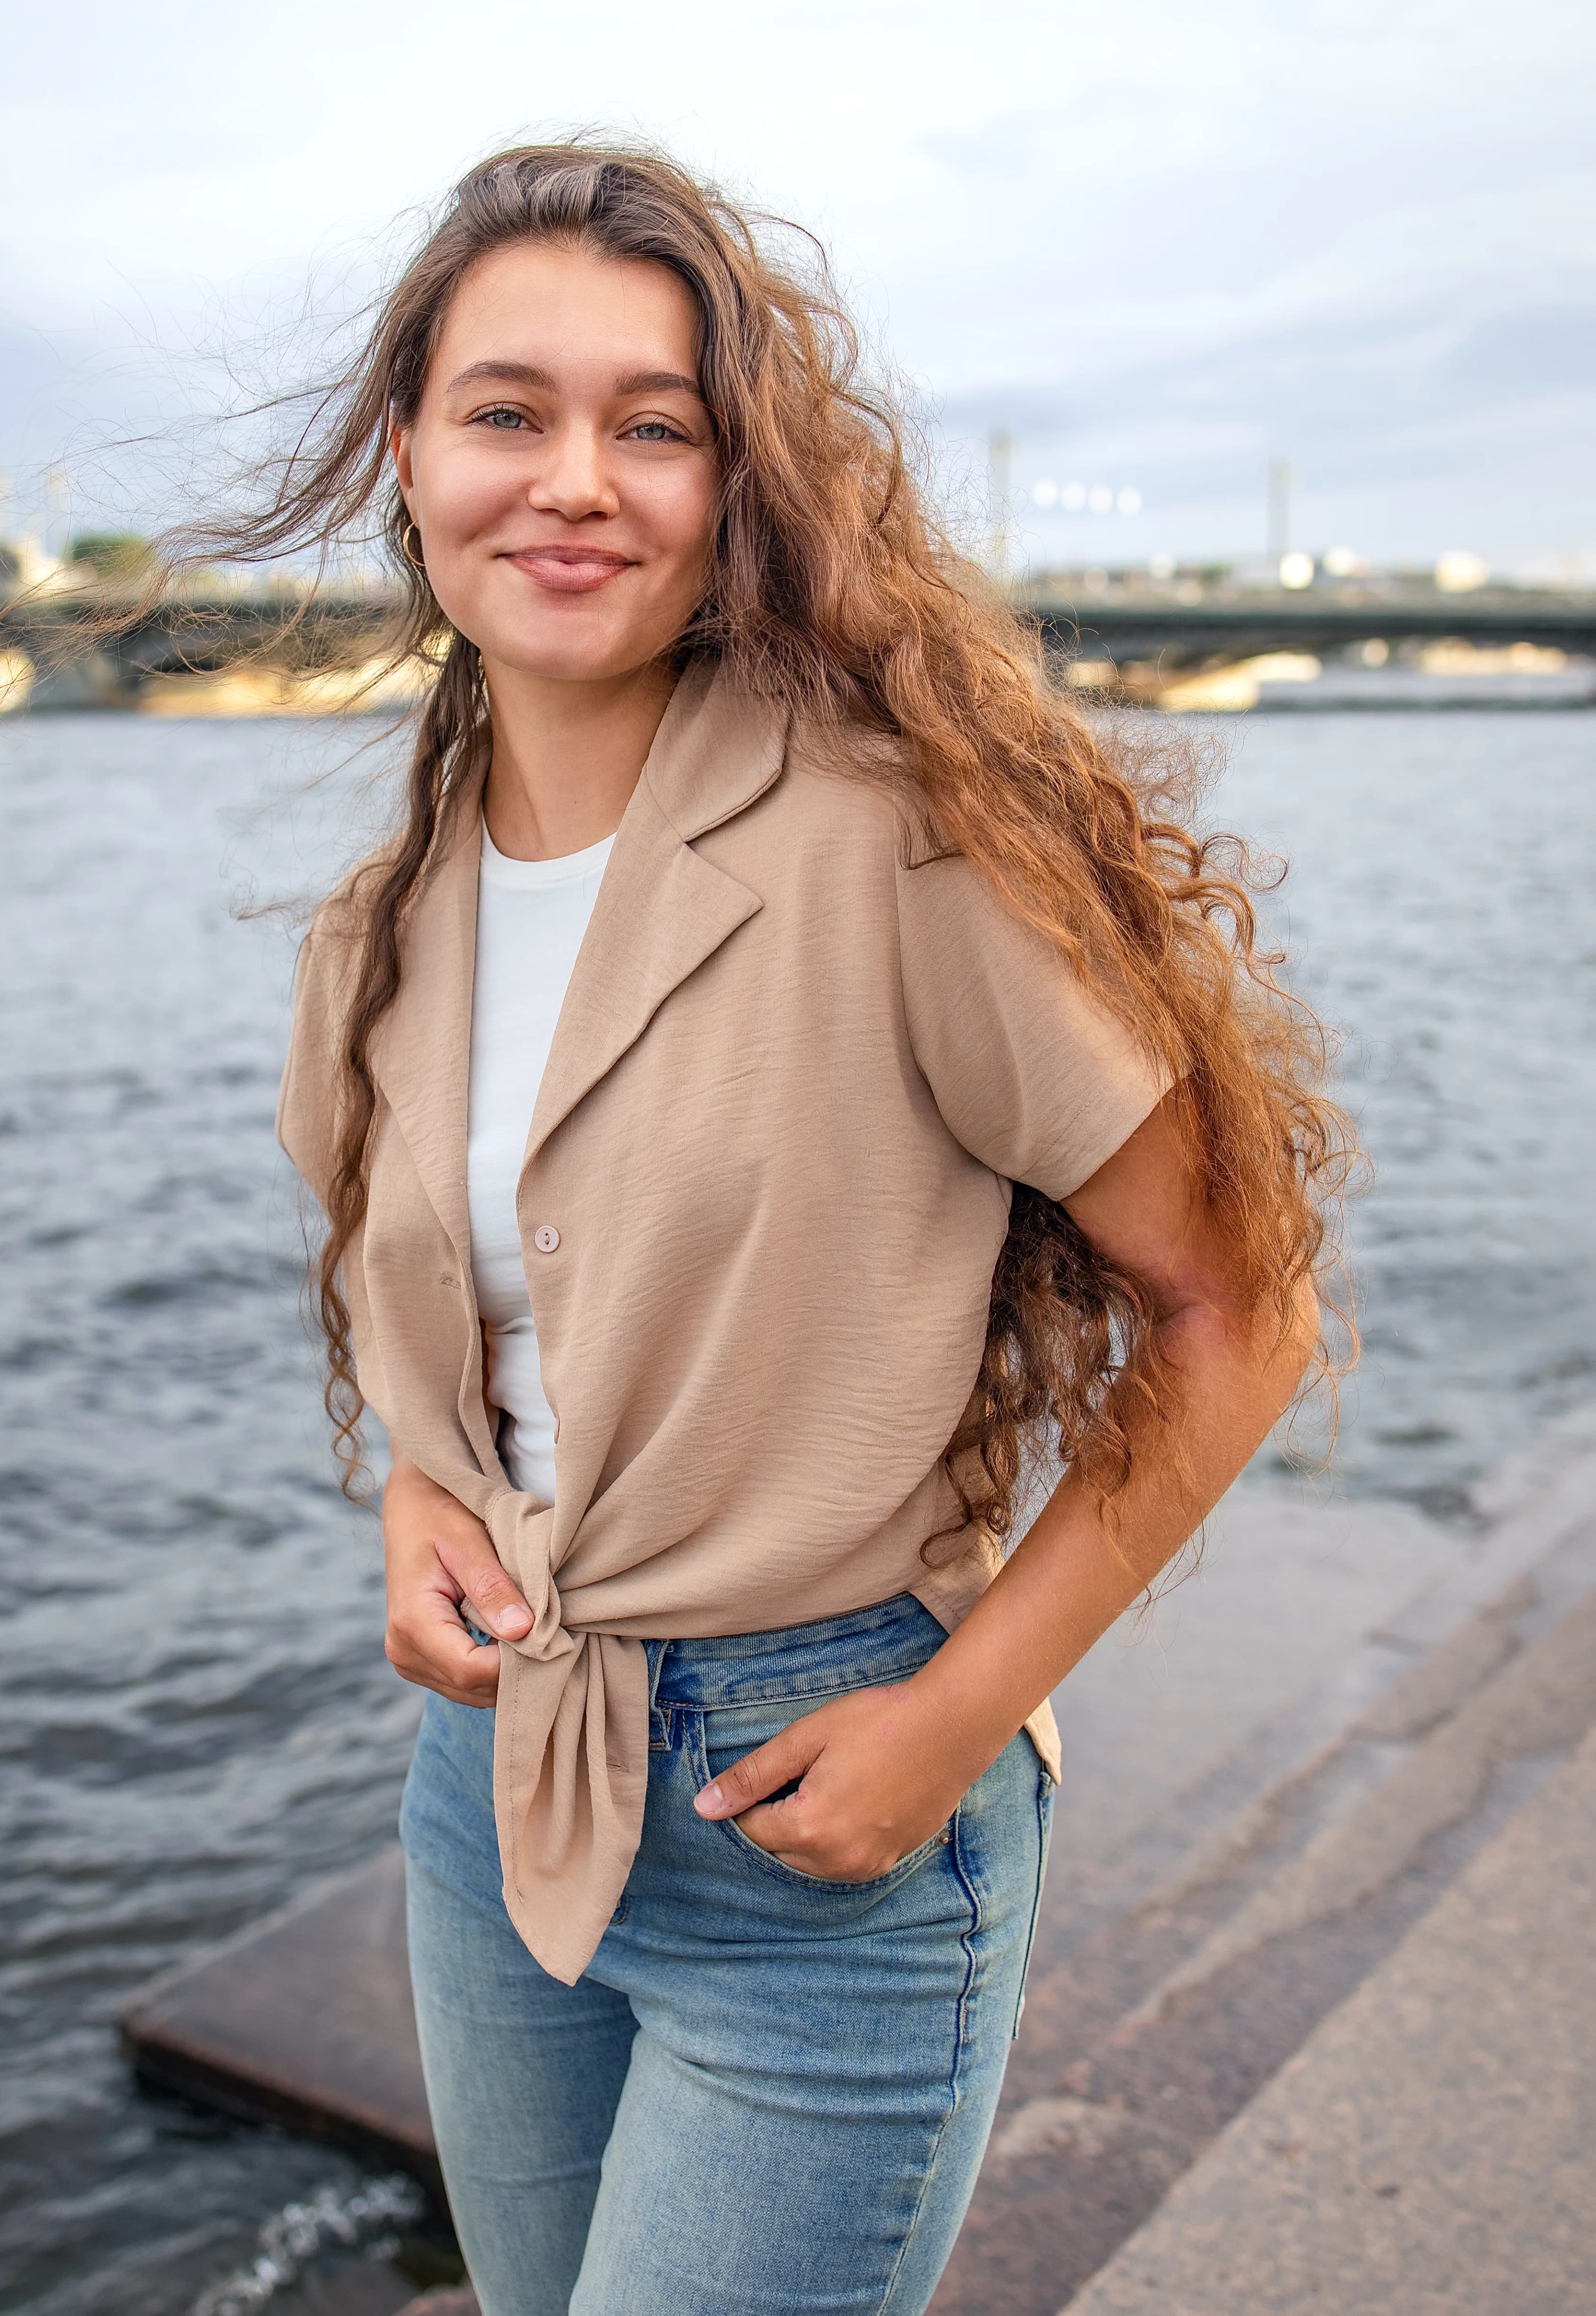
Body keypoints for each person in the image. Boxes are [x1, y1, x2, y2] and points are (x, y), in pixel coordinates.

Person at [260, 142, 1349, 2316]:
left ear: (730, 481)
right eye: (509, 410)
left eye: (652, 425)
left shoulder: (895, 845)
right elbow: (444, 1356)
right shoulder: (384, 925)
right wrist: (419, 1507)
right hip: (491, 1800)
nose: (576, 479)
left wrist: (957, 1721)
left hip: (828, 1813)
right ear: (407, 454)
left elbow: (1241, 1306)